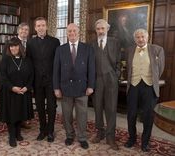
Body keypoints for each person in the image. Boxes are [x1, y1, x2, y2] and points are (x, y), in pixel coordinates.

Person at [53, 23, 95, 149]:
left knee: (82, 115)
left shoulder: (87, 48)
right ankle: (69, 136)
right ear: (67, 33)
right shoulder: (60, 49)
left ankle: (82, 137)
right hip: (65, 88)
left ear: (79, 33)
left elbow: (92, 69)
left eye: (74, 31)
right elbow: (56, 70)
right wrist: (56, 88)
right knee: (67, 115)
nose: (72, 33)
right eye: (69, 31)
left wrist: (91, 86)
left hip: (82, 88)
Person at [124, 28, 165, 152]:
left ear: (147, 37)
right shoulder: (129, 50)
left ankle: (145, 142)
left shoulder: (157, 50)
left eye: (143, 37)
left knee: (148, 116)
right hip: (133, 87)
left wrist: (152, 80)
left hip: (149, 87)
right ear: (134, 39)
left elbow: (160, 68)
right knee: (131, 115)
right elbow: (128, 68)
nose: (140, 39)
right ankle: (132, 139)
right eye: (138, 37)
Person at [26, 17, 60, 142]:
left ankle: (50, 131)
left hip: (51, 81)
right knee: (40, 107)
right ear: (35, 28)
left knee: (51, 107)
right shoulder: (30, 43)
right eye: (38, 26)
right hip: (37, 81)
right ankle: (42, 130)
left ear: (47, 27)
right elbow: (29, 62)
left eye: (43, 25)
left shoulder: (55, 41)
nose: (41, 28)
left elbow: (57, 63)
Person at [0, 38, 34, 147]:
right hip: (10, 92)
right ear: (9, 48)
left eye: (16, 46)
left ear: (20, 47)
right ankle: (12, 136)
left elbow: (32, 75)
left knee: (20, 113)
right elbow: (2, 77)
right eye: (11, 46)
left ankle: (18, 133)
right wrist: (12, 87)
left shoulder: (26, 59)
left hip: (23, 91)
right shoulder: (5, 60)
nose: (14, 48)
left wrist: (27, 87)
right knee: (11, 115)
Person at [91, 19, 121, 150]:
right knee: (97, 108)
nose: (100, 31)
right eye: (98, 29)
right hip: (97, 80)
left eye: (102, 28)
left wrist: (116, 76)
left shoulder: (115, 42)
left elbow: (120, 62)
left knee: (111, 109)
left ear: (107, 29)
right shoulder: (91, 44)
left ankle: (110, 137)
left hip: (111, 80)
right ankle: (100, 133)